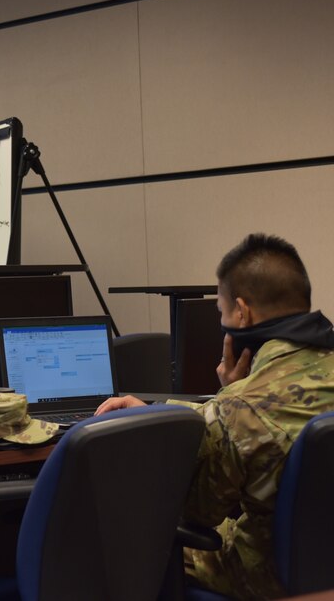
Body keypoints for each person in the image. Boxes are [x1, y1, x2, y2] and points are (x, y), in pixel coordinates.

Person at [95, 233, 334, 600]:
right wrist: (166, 411)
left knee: (136, 544)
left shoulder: (240, 407)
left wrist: (228, 393)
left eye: (221, 313)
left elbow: (198, 512)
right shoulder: (244, 405)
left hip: (269, 577)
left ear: (242, 312)